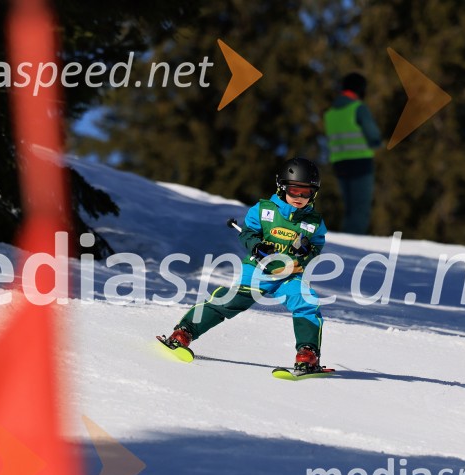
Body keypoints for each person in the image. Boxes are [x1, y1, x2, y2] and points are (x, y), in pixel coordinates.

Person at [161, 158, 328, 375]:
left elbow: (316, 246)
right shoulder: (264, 210)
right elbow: (248, 233)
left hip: (289, 275)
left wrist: (306, 250)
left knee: (306, 301)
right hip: (257, 271)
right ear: (282, 188)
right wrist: (257, 247)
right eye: (294, 191)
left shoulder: (314, 222)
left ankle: (307, 354)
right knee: (230, 301)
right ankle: (184, 332)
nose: (299, 197)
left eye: (306, 192)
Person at [323, 72, 382, 234]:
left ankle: (347, 238)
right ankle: (353, 244)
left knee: (349, 209)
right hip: (360, 163)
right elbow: (373, 136)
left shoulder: (330, 113)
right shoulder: (358, 108)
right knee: (360, 210)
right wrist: (378, 142)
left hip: (339, 164)